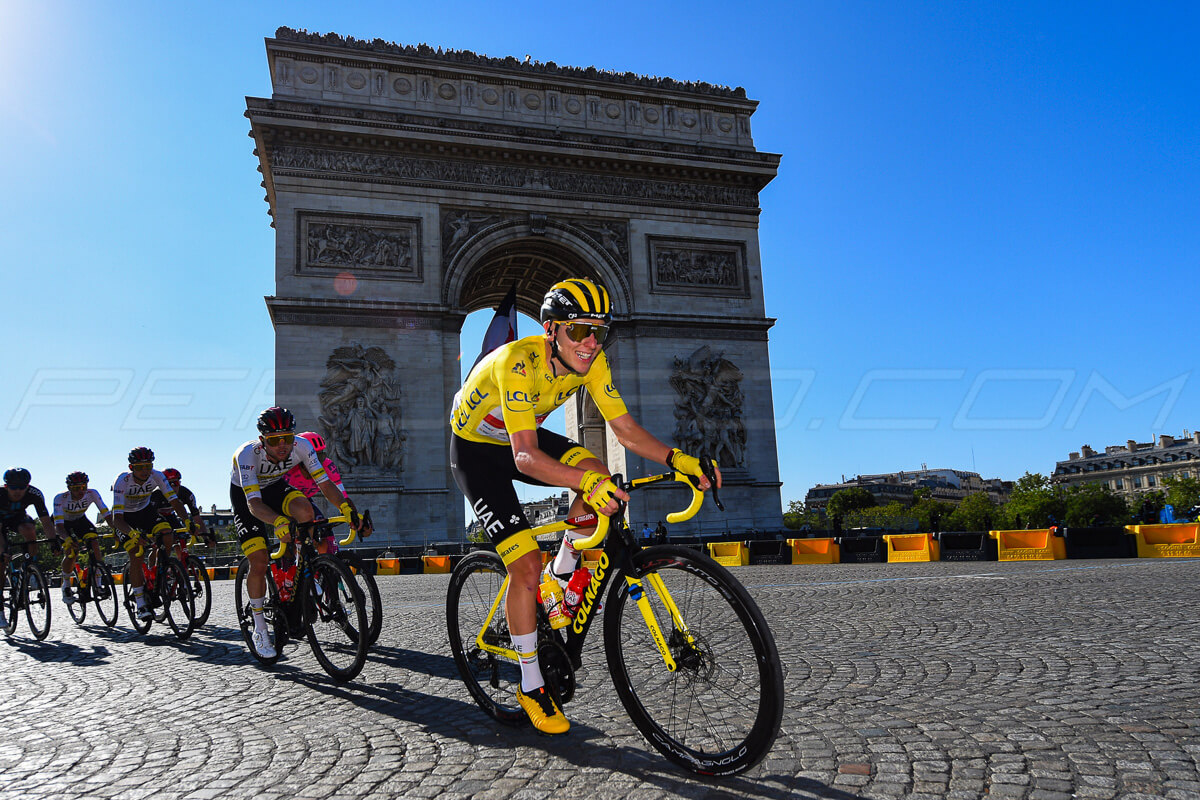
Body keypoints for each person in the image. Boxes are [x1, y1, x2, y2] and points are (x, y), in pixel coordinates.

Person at [449, 277, 719, 734]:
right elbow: (525, 457)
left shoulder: (593, 361)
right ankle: (531, 683)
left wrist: (680, 459)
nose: (591, 343)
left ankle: (562, 570)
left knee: (594, 463)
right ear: (550, 330)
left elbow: (626, 430)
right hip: (477, 451)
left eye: (600, 332)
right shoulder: (517, 362)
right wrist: (587, 485)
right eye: (579, 331)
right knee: (524, 566)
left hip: (521, 437)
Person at [231, 407, 365, 659]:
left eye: (287, 438)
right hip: (247, 497)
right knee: (259, 561)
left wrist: (346, 507)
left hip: (275, 487)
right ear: (262, 441)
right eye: (274, 440)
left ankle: (304, 569)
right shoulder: (247, 454)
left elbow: (325, 484)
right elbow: (254, 504)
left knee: (305, 510)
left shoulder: (302, 446)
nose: (282, 446)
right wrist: (279, 521)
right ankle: (260, 628)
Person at [111, 448, 191, 622]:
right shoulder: (122, 481)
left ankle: (162, 569)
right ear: (131, 467)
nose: (145, 471)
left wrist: (187, 521)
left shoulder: (156, 476)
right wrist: (132, 534)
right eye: (140, 467)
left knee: (167, 533)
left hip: (145, 511)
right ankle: (140, 602)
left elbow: (174, 501)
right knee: (136, 553)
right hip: (125, 517)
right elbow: (116, 519)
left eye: (148, 466)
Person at [284, 431, 373, 555]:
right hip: (283, 502)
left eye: (321, 456)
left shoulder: (327, 466)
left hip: (305, 501)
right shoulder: (288, 469)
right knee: (292, 538)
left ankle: (325, 568)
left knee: (324, 531)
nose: (316, 462)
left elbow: (343, 497)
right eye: (313, 456)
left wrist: (355, 519)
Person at [0, 468, 60, 628]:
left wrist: (53, 541)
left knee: (30, 530)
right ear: (6, 487)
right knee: (2, 560)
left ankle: (30, 569)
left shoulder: (35, 494)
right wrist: (2, 551)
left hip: (18, 518)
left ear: (28, 486)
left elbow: (46, 521)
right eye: (13, 488)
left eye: (22, 487)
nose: (18, 491)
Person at [53, 471, 113, 605]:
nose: (81, 491)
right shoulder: (60, 498)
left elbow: (106, 514)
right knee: (72, 552)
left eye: (83, 487)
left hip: (81, 520)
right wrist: (67, 539)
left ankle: (98, 584)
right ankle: (66, 585)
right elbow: (59, 526)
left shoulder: (92, 493)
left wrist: (116, 529)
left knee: (94, 542)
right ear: (69, 489)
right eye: (76, 488)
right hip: (64, 524)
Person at [150, 468, 214, 563]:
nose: (172, 487)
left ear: (180, 483)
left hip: (171, 517)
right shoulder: (156, 495)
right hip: (155, 518)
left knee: (181, 539)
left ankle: (180, 568)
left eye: (175, 484)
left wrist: (206, 538)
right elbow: (149, 518)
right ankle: (154, 569)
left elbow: (197, 518)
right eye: (168, 484)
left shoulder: (186, 494)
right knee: (158, 545)